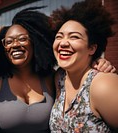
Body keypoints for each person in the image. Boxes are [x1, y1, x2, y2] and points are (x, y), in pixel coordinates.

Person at [0, 7, 116, 133]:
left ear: (36, 41)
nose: (15, 45)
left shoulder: (52, 77)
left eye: (22, 39)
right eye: (8, 41)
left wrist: (96, 61)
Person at [49, 0, 118, 132]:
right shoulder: (59, 78)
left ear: (91, 48)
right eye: (59, 37)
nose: (63, 43)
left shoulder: (103, 84)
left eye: (74, 37)